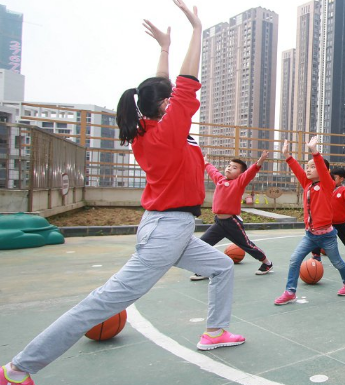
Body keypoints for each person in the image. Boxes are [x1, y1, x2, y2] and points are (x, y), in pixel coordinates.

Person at [1, 3, 248, 384]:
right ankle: (18, 369)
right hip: (167, 230)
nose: (178, 101)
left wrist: (165, 48)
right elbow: (185, 81)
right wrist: (196, 29)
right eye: (171, 99)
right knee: (103, 302)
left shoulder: (148, 127)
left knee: (220, 266)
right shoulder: (166, 131)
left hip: (170, 226)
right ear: (167, 106)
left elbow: (162, 86)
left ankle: (214, 332)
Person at [274, 136, 345, 305]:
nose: (308, 169)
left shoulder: (327, 185)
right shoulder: (307, 184)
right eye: (307, 166)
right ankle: (290, 292)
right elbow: (296, 169)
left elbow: (322, 171)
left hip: (327, 235)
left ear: (323, 170)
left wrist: (314, 151)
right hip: (310, 235)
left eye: (312, 167)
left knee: (337, 262)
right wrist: (287, 155)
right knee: (295, 259)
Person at [191, 151, 273, 281]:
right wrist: (205, 162)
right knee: (203, 244)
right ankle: (204, 270)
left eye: (234, 167)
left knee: (247, 245)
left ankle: (267, 263)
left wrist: (260, 162)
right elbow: (213, 171)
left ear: (240, 174)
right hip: (219, 223)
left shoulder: (239, 182)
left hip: (232, 223)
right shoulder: (220, 180)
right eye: (229, 165)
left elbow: (250, 173)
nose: (229, 168)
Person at [311, 168, 345, 262]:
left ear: (341, 179)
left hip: (339, 221)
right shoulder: (326, 188)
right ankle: (316, 254)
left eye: (334, 178)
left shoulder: (342, 190)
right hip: (326, 220)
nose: (332, 179)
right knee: (319, 236)